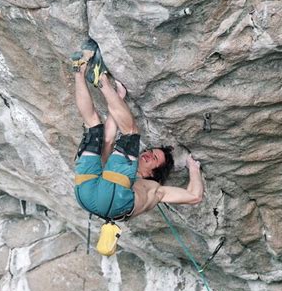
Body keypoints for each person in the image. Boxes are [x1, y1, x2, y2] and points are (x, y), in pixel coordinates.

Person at [72, 40, 204, 221]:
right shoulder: (119, 171)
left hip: (114, 201)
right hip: (85, 195)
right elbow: (109, 138)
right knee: (94, 127)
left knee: (132, 134)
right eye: (149, 151)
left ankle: (101, 79)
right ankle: (79, 70)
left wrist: (193, 167)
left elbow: (194, 196)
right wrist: (118, 98)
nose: (147, 155)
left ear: (153, 173)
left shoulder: (156, 190)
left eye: (154, 158)